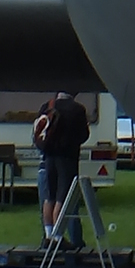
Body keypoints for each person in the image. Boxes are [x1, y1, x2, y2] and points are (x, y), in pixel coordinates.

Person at [34, 91, 91, 244]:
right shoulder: (77, 109)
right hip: (67, 157)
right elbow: (83, 136)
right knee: (62, 198)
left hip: (48, 156)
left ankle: (48, 235)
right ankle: (58, 238)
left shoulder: (47, 106)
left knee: (49, 197)